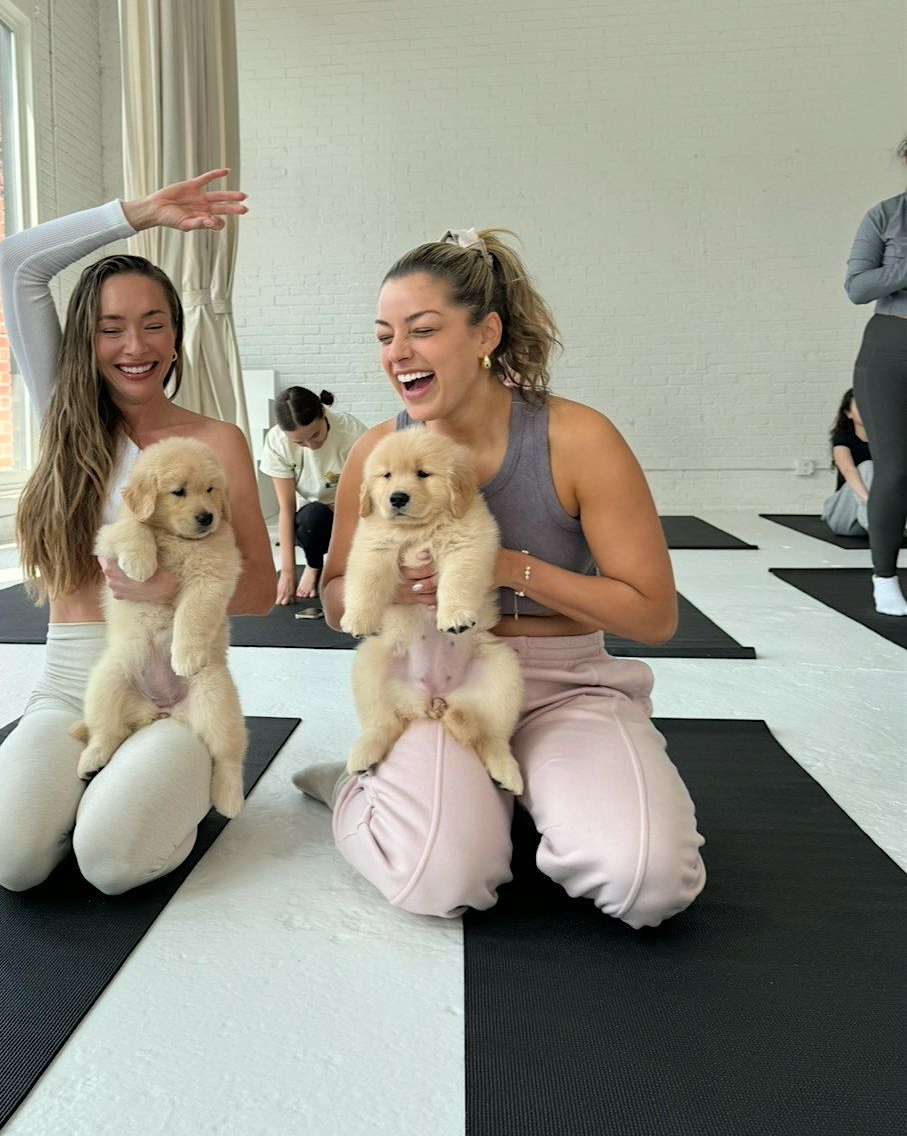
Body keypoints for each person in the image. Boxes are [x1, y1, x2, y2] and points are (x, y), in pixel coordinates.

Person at [294, 227, 706, 931]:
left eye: (421, 330)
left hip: (563, 684)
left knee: (647, 882)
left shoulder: (578, 438)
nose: (397, 353)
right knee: (440, 879)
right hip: (432, 681)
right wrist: (387, 590)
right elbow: (335, 599)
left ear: (484, 332)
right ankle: (354, 786)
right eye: (384, 335)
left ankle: (528, 793)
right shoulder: (377, 451)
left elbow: (652, 615)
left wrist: (507, 568)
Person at [0, 169, 276, 894]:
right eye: (110, 327)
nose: (133, 344)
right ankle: (118, 782)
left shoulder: (217, 441)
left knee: (108, 862)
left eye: (153, 323)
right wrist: (138, 214)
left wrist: (175, 587)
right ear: (87, 338)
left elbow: (263, 588)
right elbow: (19, 260)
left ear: (176, 334)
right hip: (74, 683)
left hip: (177, 687)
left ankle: (178, 772)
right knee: (12, 861)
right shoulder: (65, 416)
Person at [846, 136, 907, 616]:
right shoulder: (886, 215)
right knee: (896, 468)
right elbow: (858, 286)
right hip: (890, 347)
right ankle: (884, 578)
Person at [259, 387, 367, 602]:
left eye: (315, 434)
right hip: (312, 522)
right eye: (299, 442)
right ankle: (313, 565)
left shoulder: (352, 434)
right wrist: (288, 573)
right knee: (313, 516)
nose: (311, 445)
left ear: (324, 414)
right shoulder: (277, 442)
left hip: (352, 511)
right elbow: (286, 510)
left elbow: (366, 498)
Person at [821, 388, 872, 537]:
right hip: (844, 519)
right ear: (848, 413)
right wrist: (872, 505)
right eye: (861, 406)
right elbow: (849, 470)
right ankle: (876, 524)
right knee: (868, 467)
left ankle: (880, 524)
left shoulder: (888, 442)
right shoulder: (843, 439)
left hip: (873, 522)